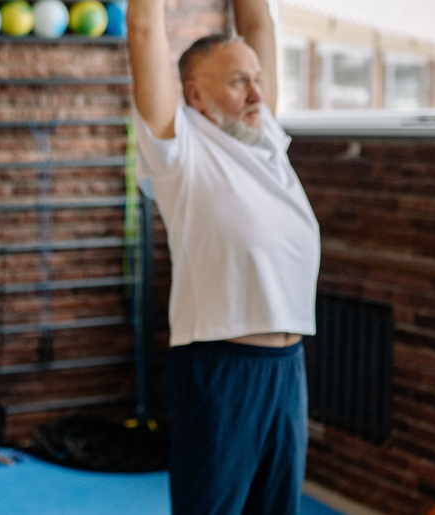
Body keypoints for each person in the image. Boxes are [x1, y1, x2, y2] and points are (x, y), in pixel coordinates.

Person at [127, 0, 322, 512]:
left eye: (257, 78)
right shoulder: (179, 150)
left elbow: (259, 19)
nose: (257, 93)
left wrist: (251, 71)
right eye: (239, 81)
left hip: (287, 367)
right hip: (220, 368)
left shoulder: (266, 141)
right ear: (194, 95)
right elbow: (145, 28)